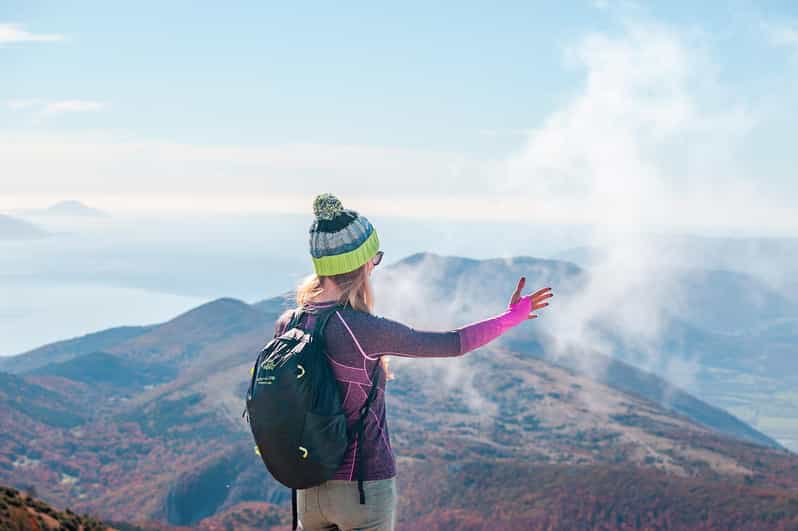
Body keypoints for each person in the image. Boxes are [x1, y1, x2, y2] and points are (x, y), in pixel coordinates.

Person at [272, 193, 553, 531]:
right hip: (363, 488)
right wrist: (512, 317)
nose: (374, 266)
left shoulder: (290, 322)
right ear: (361, 264)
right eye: (374, 258)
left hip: (308, 487)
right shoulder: (363, 329)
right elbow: (453, 344)